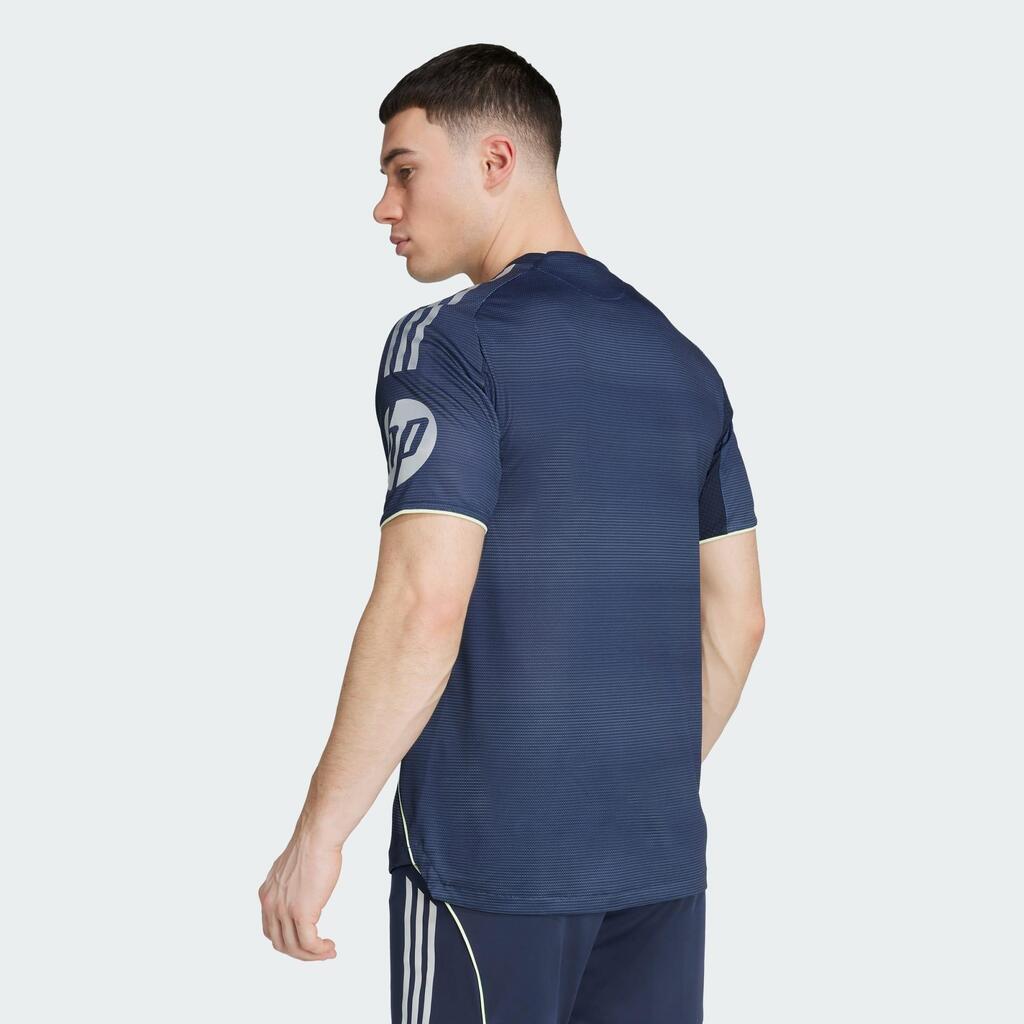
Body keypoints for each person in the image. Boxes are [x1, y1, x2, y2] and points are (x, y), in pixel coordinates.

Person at [259, 42, 765, 1023]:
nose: (384, 207)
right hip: (655, 861)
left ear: (496, 160)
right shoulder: (684, 364)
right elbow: (738, 619)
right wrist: (625, 788)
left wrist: (317, 834)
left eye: (403, 171)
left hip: (487, 867)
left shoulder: (450, 342)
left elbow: (423, 600)